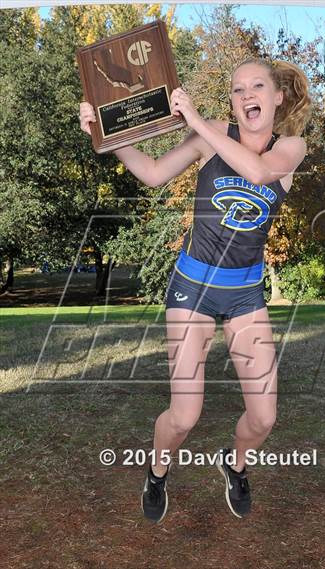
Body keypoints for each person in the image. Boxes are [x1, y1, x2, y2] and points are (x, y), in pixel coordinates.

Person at [79, 57, 312, 522]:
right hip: (193, 287)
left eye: (257, 86)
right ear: (232, 100)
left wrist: (201, 124)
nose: (247, 95)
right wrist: (102, 137)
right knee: (184, 416)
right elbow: (151, 173)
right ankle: (158, 470)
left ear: (278, 96)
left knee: (264, 419)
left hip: (245, 293)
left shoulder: (291, 146)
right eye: (237, 89)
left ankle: (235, 464)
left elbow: (260, 174)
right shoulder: (209, 137)